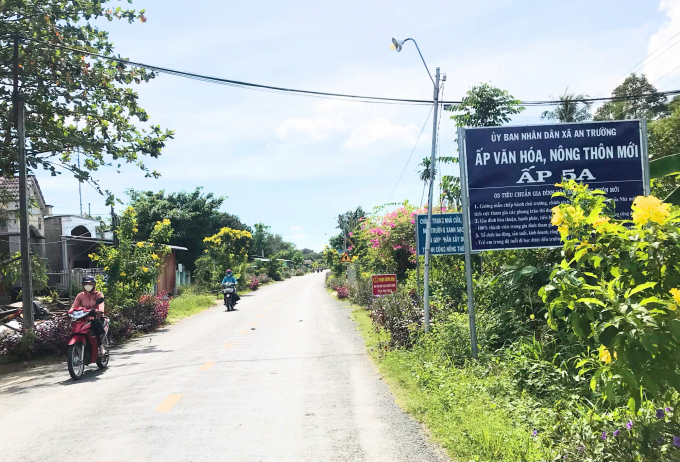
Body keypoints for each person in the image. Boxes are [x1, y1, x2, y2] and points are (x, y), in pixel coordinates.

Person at [71, 276, 106, 355]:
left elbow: (101, 305)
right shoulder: (80, 295)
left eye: (90, 284)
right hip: (84, 317)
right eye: (86, 284)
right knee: (74, 325)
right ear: (83, 285)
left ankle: (100, 346)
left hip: (96, 317)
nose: (88, 286)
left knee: (94, 324)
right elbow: (74, 306)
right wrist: (69, 311)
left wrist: (99, 311)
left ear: (94, 285)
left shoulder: (98, 294)